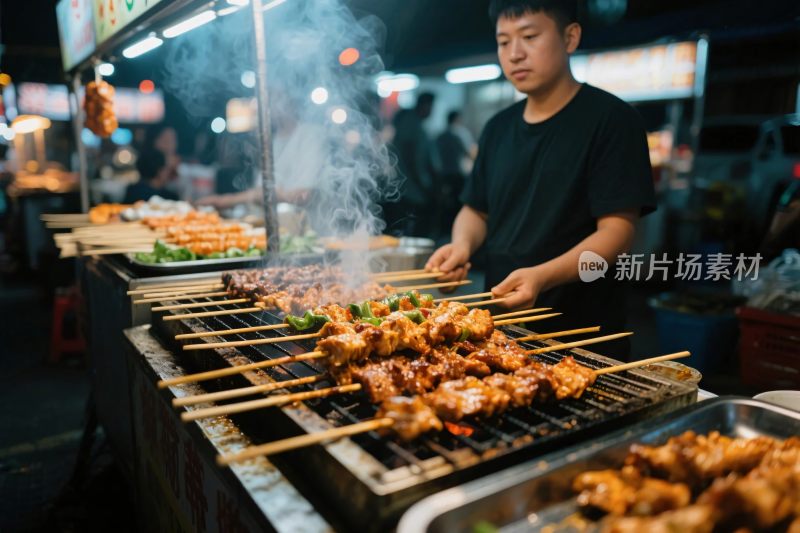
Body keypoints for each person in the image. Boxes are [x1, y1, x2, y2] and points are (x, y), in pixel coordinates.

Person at [426, 0, 656, 358]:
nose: (515, 53)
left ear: (570, 37)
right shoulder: (497, 128)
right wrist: (461, 246)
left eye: (529, 36)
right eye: (503, 42)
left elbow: (618, 234)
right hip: (499, 331)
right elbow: (476, 210)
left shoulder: (612, 121)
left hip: (582, 336)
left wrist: (541, 277)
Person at [386, 92, 437, 236]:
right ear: (423, 105)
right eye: (430, 107)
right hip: (410, 188)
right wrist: (421, 183)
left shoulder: (417, 124)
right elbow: (410, 157)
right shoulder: (410, 123)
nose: (431, 111)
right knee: (408, 229)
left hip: (414, 186)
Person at [435, 110, 476, 239]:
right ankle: (452, 232)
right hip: (456, 175)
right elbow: (469, 152)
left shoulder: (440, 136)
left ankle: (444, 232)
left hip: (443, 175)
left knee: (445, 204)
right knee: (457, 204)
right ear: (457, 119)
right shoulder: (460, 134)